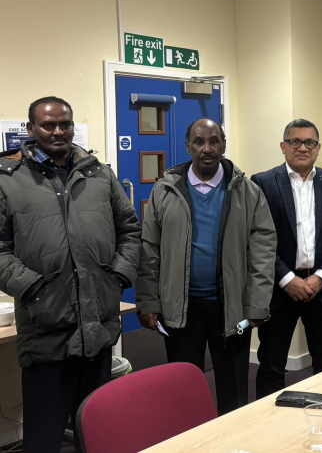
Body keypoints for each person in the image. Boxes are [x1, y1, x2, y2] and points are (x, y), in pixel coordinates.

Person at [0, 97, 141, 453]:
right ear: (31, 129)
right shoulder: (8, 179)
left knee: (96, 429)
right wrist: (32, 288)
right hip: (45, 326)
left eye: (65, 123)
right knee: (44, 438)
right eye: (48, 125)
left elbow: (130, 230)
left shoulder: (99, 174)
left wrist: (119, 276)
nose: (58, 131)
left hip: (98, 325)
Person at [136, 118, 276, 415]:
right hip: (181, 309)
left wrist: (258, 304)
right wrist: (148, 300)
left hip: (233, 310)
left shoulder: (248, 192)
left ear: (223, 145)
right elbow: (149, 249)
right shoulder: (165, 190)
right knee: (182, 386)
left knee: (235, 386)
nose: (207, 149)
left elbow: (264, 252)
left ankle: (233, 441)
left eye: (214, 141)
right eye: (199, 142)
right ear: (188, 147)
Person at [252, 119, 322, 399]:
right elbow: (257, 240)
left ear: (318, 148)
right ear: (283, 146)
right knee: (271, 365)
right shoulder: (262, 183)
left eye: (309, 142)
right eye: (295, 141)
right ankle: (269, 432)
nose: (302, 147)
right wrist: (286, 278)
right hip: (279, 289)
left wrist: (321, 277)